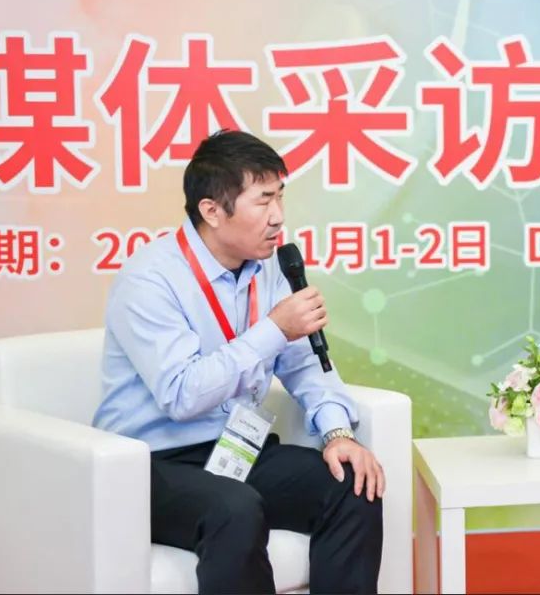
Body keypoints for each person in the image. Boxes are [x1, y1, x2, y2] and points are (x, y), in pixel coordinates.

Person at [93, 130, 384, 594]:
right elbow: (182, 396)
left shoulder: (268, 268)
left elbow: (304, 364)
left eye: (280, 196)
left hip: (237, 448)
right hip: (151, 463)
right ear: (212, 210)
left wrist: (337, 433)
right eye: (263, 201)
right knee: (235, 508)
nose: (278, 216)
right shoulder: (148, 280)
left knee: (352, 484)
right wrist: (273, 328)